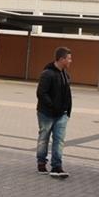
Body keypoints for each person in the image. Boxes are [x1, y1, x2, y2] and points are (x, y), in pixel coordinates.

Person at [36, 47, 73, 178]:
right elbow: (41, 93)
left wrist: (67, 111)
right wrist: (52, 106)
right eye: (69, 58)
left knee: (59, 140)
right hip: (46, 113)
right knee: (43, 138)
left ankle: (57, 167)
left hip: (62, 114)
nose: (71, 61)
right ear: (62, 59)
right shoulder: (47, 74)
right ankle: (41, 163)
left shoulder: (65, 74)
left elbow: (67, 95)